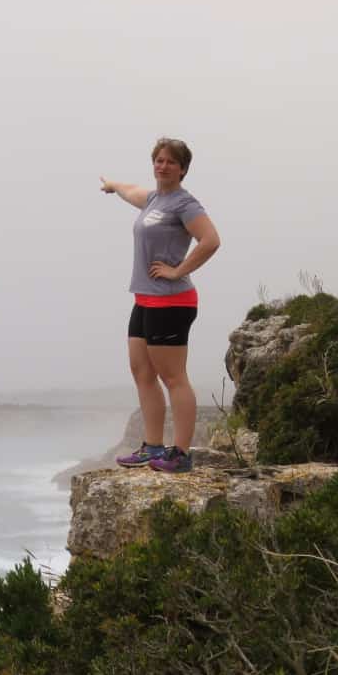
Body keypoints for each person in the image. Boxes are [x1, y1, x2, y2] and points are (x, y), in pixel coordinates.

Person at [100, 138, 220, 474]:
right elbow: (130, 190)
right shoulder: (155, 199)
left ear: (182, 169)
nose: (162, 166)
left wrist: (178, 270)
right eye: (158, 160)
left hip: (172, 302)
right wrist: (112, 185)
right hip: (144, 299)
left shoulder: (184, 204)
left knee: (173, 377)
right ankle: (152, 446)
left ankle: (180, 453)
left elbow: (211, 240)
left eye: (170, 162)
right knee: (142, 372)